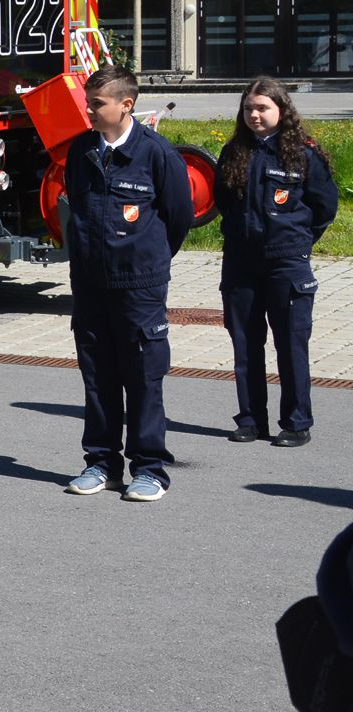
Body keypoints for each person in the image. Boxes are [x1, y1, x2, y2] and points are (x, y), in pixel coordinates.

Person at [61, 65, 194, 501]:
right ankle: (101, 464)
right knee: (97, 377)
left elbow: (179, 218)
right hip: (91, 285)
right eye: (88, 102)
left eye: (96, 104)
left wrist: (145, 260)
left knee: (143, 377)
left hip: (139, 287)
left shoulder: (156, 154)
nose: (88, 111)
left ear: (126, 104)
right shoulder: (81, 151)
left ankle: (150, 469)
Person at [216, 76, 337, 448]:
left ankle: (297, 422)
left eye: (262, 108)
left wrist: (297, 241)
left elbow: (324, 207)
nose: (254, 115)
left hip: (286, 263)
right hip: (241, 262)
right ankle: (251, 419)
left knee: (291, 345)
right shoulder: (234, 151)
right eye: (248, 108)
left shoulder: (303, 153)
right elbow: (224, 200)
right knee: (245, 345)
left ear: (281, 110)